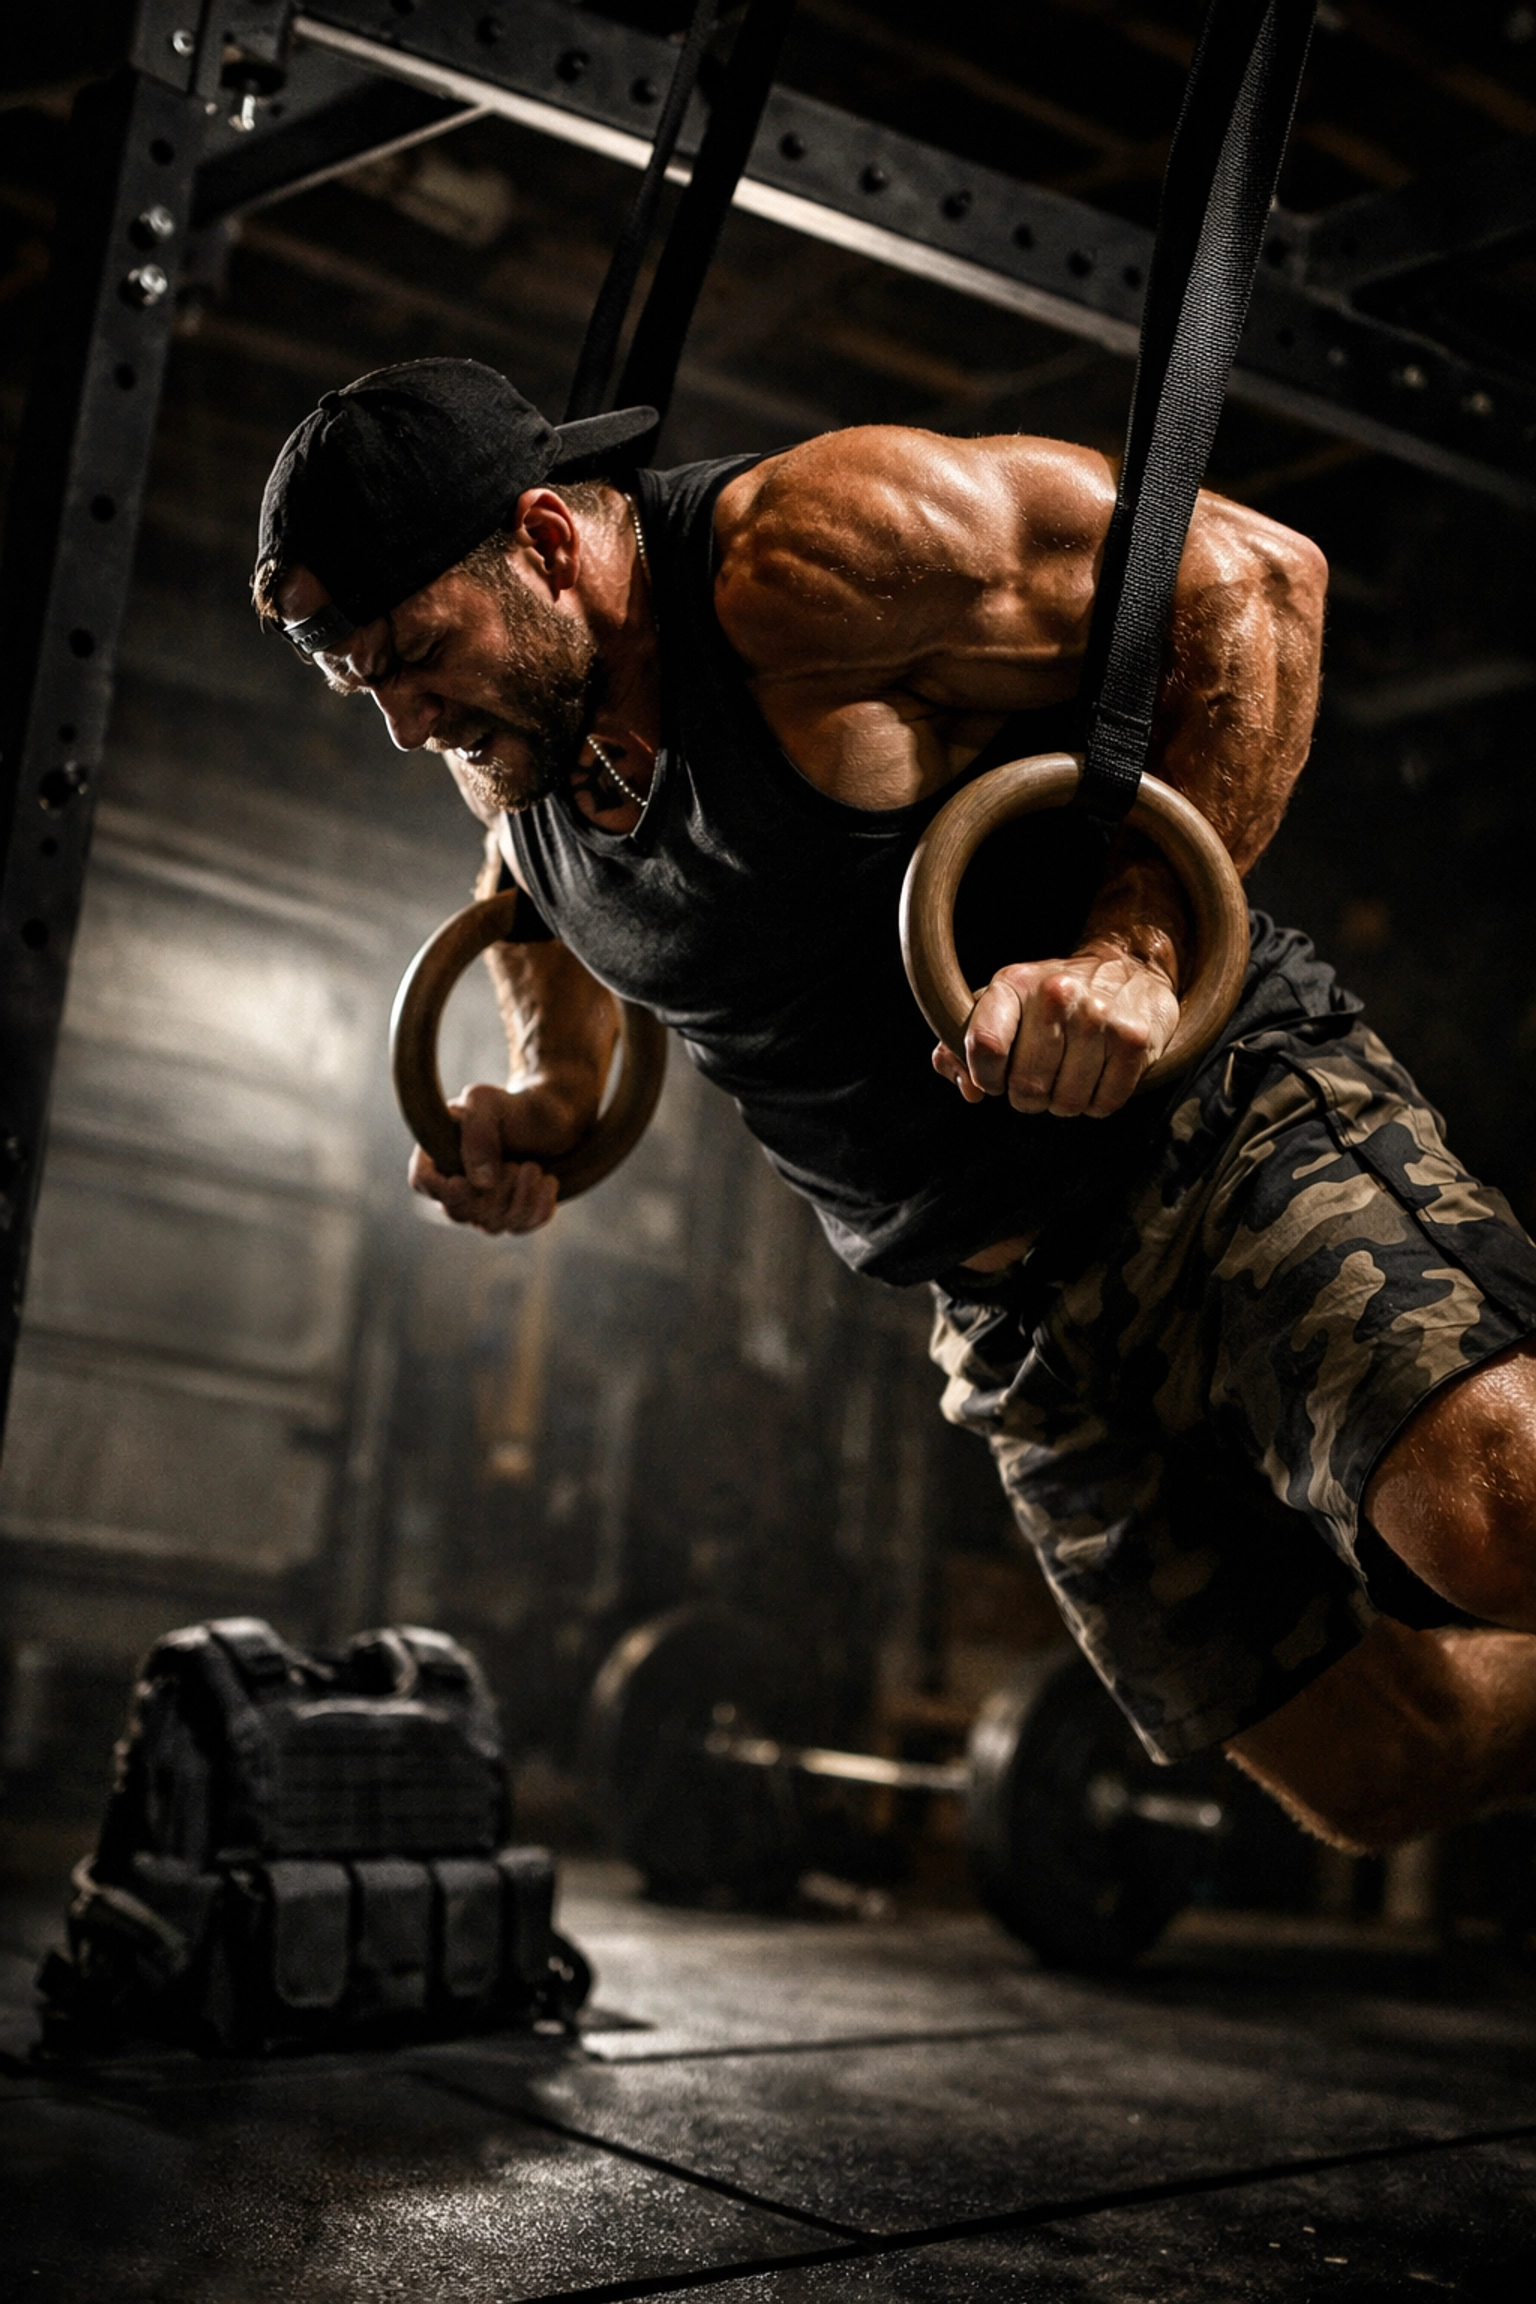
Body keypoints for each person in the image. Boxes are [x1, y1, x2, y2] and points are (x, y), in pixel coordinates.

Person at [255, 359, 1536, 1855]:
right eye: (367, 685)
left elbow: (1257, 580)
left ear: (545, 543)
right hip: (1012, 1320)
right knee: (1384, 1772)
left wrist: (1132, 948)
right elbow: (533, 893)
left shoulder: (806, 560)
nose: (408, 724)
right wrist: (558, 1089)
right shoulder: (511, 723)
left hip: (1206, 1136)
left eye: (418, 655)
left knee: (1497, 1518)